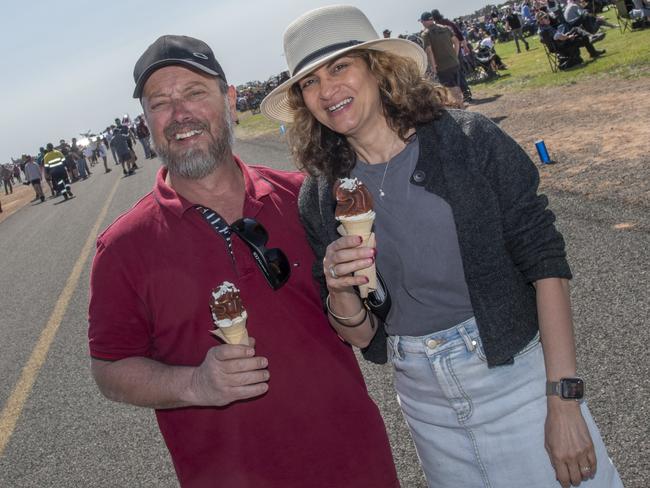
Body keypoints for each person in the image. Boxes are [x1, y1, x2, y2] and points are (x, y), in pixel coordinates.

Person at [260, 5, 623, 488]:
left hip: (517, 381)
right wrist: (340, 287)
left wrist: (563, 399)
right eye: (309, 82)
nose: (326, 91)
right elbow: (365, 337)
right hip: (422, 401)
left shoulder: (468, 140)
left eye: (339, 67)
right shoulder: (321, 195)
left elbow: (545, 261)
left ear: (376, 66)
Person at [88, 34, 399, 488]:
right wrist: (195, 385)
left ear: (229, 99)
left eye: (195, 93)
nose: (179, 114)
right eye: (160, 103)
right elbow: (109, 369)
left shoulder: (304, 197)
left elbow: (371, 319)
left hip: (358, 466)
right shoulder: (122, 248)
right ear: (146, 122)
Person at [420, 11, 464, 106]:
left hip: (442, 66)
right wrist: (455, 56)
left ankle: (460, 110)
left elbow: (429, 51)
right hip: (454, 63)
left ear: (426, 21)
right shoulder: (445, 28)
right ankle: (461, 106)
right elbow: (456, 42)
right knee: (457, 87)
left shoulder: (426, 34)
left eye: (422, 21)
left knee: (450, 90)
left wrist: (433, 67)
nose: (422, 23)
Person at [537, 11, 605, 65]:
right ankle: (592, 42)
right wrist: (569, 37)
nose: (548, 18)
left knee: (576, 30)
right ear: (541, 21)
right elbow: (560, 37)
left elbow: (553, 38)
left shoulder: (541, 30)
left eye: (546, 16)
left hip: (557, 46)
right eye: (545, 17)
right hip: (563, 46)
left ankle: (591, 38)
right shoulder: (547, 28)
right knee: (581, 35)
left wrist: (566, 36)